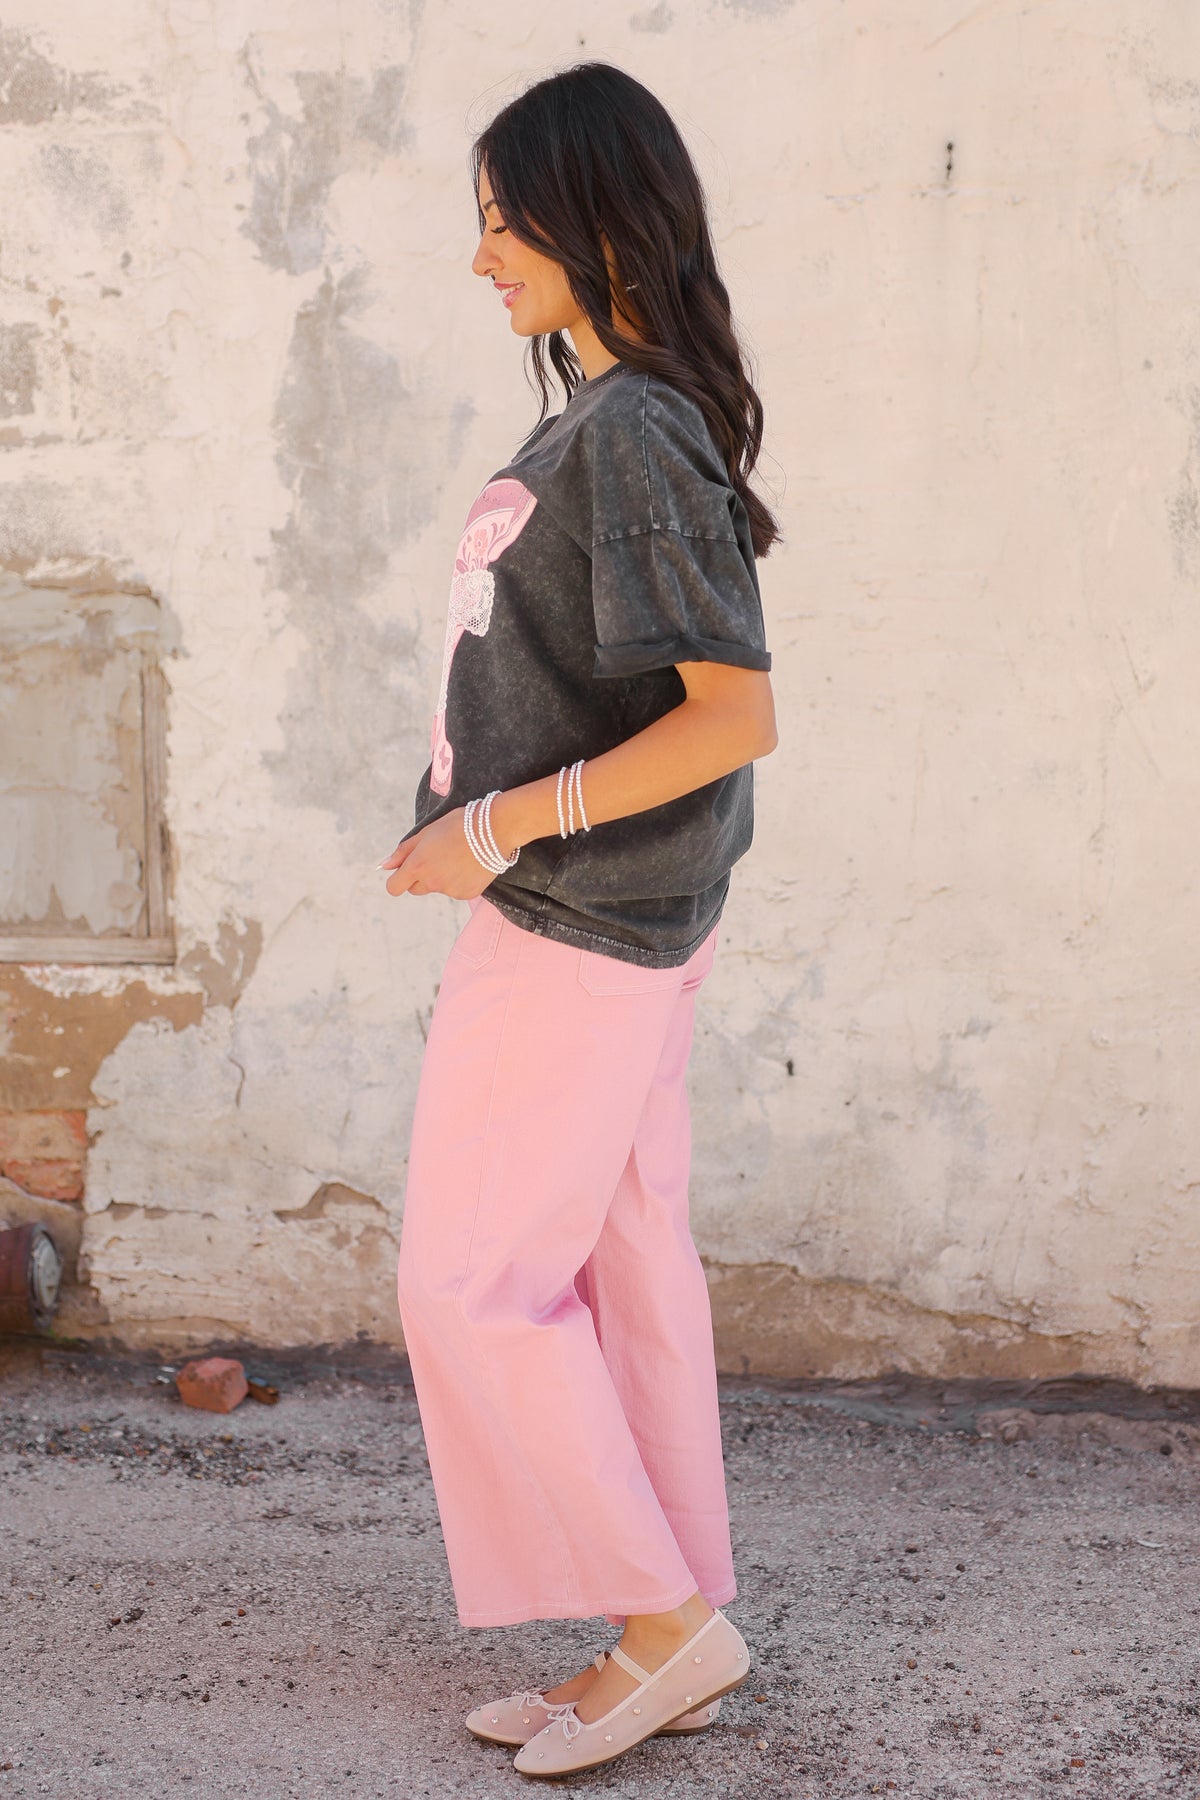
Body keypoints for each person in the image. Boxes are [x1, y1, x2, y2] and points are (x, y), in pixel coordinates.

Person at [379, 60, 779, 1779]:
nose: (480, 255)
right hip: (610, 923)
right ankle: (658, 1628)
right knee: (621, 1279)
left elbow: (732, 713)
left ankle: (671, 1628)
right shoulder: (609, 416)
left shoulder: (632, 430)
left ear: (587, 211)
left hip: (578, 925)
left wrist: (492, 827)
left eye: (497, 218)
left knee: (465, 1286)